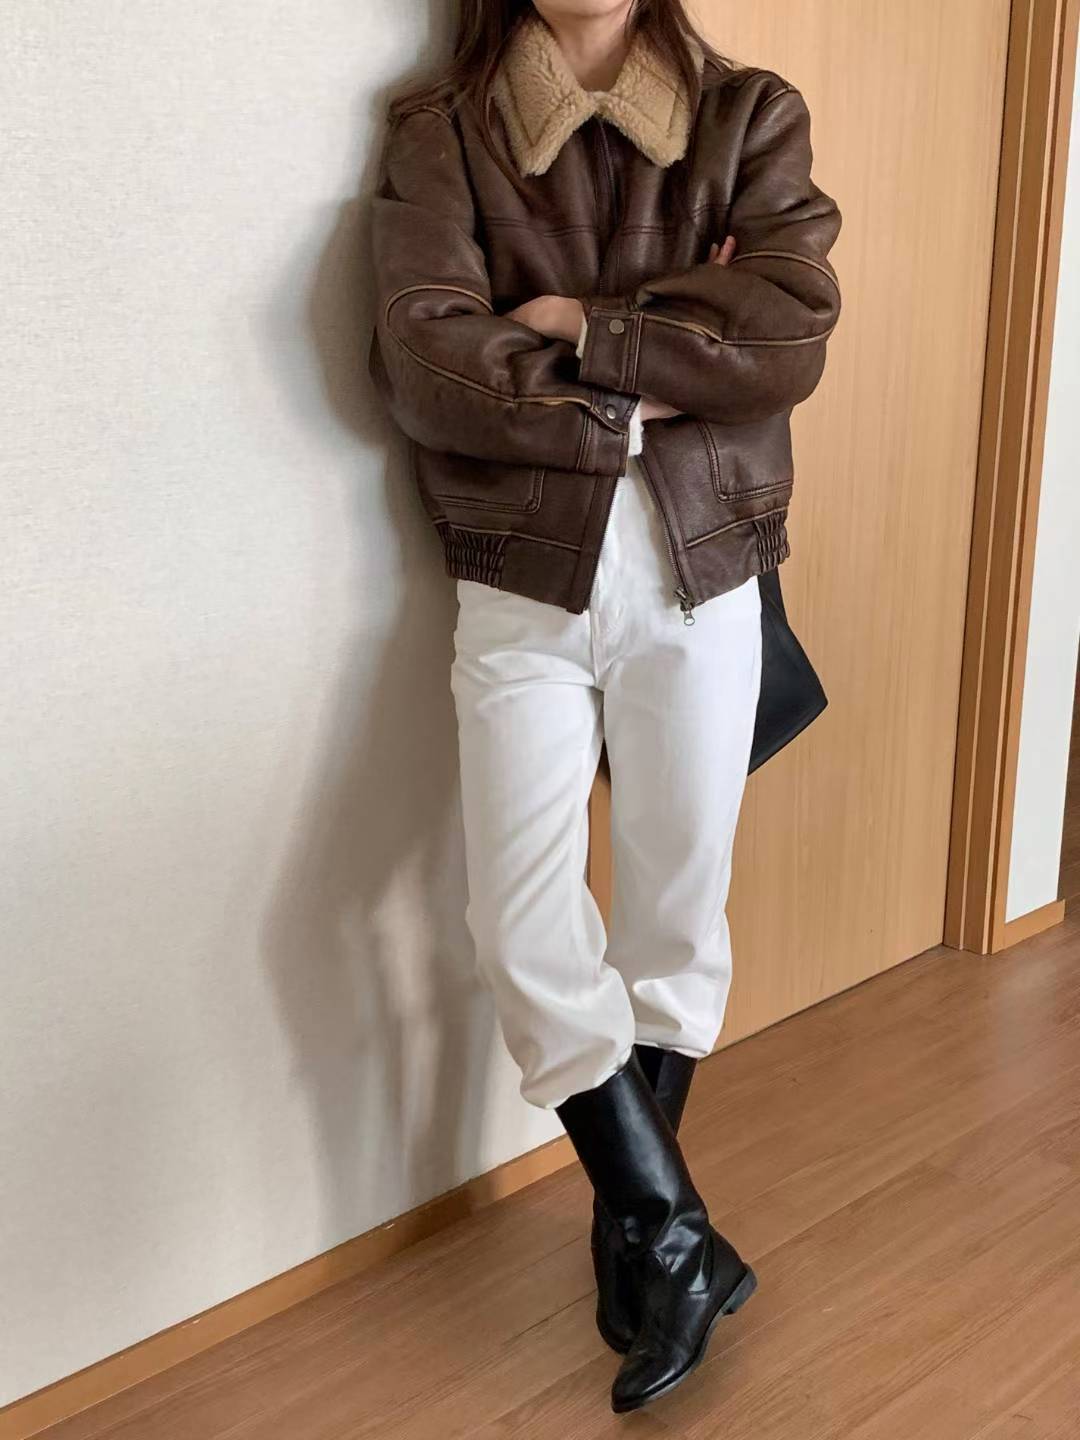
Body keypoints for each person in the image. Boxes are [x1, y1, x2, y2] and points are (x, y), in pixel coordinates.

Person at [368, 0, 841, 1412]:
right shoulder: (440, 133)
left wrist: (578, 325)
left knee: (674, 912)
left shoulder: (748, 113)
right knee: (521, 924)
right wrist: (649, 381)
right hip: (521, 573)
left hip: (704, 568)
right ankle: (675, 1230)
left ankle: (645, 1242)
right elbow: (424, 358)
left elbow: (785, 333)